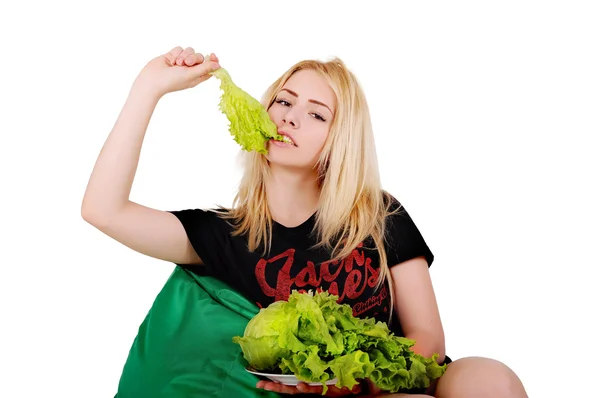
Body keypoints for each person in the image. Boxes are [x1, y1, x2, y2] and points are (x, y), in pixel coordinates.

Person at [81, 46, 528, 397]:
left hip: (396, 377)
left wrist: (361, 381)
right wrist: (148, 87)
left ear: (340, 140)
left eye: (317, 113)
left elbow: (426, 335)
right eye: (283, 101)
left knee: (492, 381)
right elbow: (103, 210)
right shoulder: (226, 234)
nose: (291, 117)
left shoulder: (377, 213)